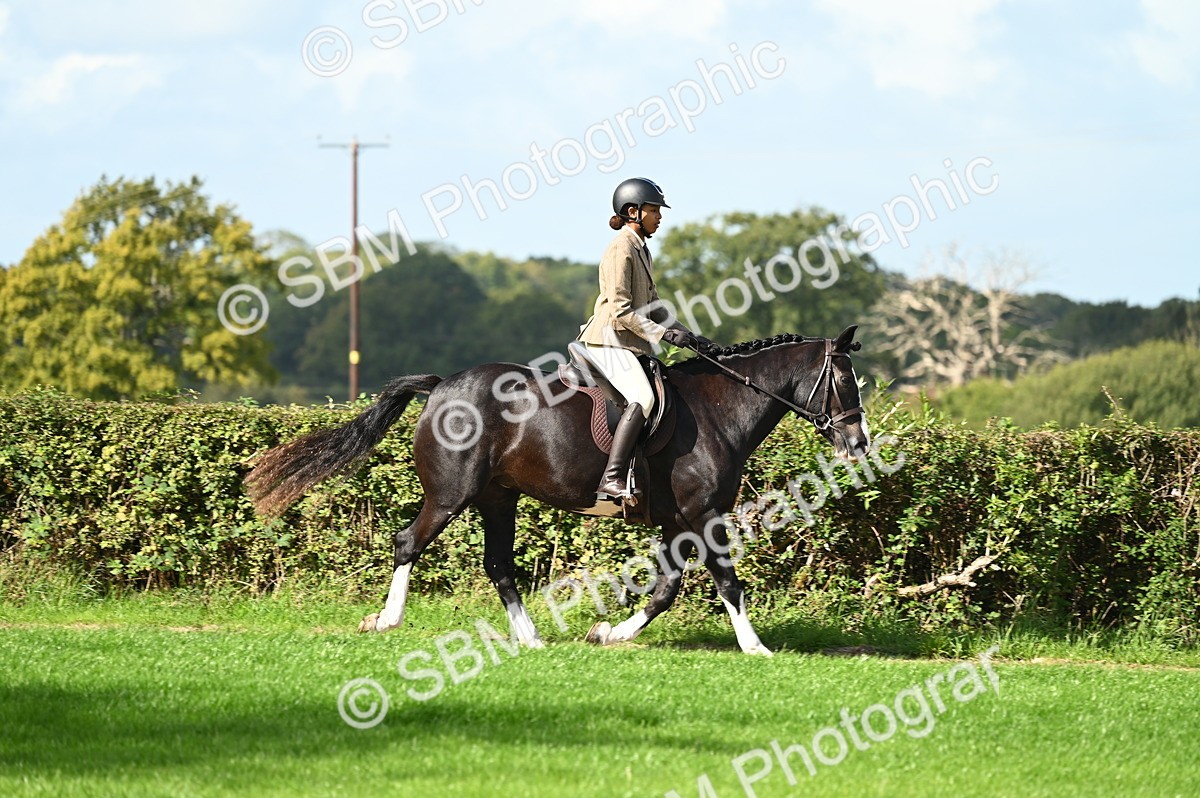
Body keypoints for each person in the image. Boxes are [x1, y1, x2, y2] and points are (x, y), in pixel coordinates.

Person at [577, 177, 710, 503]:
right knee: (643, 398)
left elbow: (653, 306)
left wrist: (690, 337)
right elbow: (621, 310)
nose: (659, 217)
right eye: (654, 210)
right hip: (607, 341)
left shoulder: (641, 249)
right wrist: (663, 334)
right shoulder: (621, 249)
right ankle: (612, 478)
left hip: (627, 343)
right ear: (633, 211)